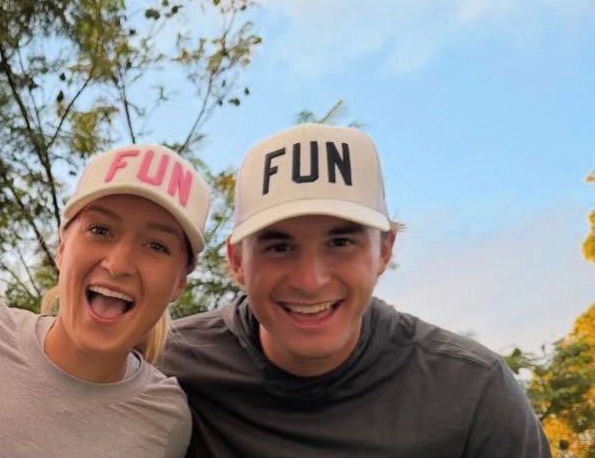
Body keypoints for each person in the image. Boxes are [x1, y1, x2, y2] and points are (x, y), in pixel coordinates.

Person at [159, 123, 551, 457]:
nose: (310, 280)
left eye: (341, 243)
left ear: (385, 250)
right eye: (279, 247)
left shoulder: (473, 391)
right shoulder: (167, 366)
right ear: (237, 260)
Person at [0, 144, 209, 457]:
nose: (118, 264)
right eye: (100, 230)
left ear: (179, 283)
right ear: (62, 248)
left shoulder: (168, 417)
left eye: (156, 246)